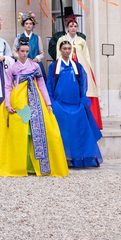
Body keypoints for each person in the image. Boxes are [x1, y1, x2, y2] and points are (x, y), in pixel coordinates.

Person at [0, 37, 68, 177]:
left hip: (35, 99)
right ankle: (19, 164)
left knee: (37, 129)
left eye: (27, 51)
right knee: (19, 132)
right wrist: (7, 104)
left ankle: (35, 165)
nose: (24, 54)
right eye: (22, 51)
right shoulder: (13, 68)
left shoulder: (35, 66)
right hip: (18, 100)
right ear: (17, 52)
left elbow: (41, 84)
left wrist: (47, 103)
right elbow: (7, 87)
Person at [47, 40, 103, 168]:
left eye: (69, 48)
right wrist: (51, 102)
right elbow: (49, 84)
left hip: (75, 104)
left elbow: (82, 84)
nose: (67, 51)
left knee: (81, 131)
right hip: (59, 104)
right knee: (63, 132)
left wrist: (81, 101)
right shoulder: (54, 66)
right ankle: (62, 158)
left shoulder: (77, 66)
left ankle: (79, 157)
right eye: (64, 48)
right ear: (60, 50)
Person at [56, 14, 103, 130]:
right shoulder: (62, 40)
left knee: (84, 91)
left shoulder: (81, 41)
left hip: (80, 68)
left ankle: (87, 119)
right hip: (67, 68)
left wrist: (88, 69)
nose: (73, 28)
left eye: (75, 26)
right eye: (71, 26)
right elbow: (58, 55)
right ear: (67, 28)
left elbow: (86, 56)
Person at [13, 12, 45, 78]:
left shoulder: (37, 38)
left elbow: (42, 53)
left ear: (33, 25)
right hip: (22, 65)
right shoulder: (18, 37)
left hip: (35, 65)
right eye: (26, 23)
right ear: (23, 25)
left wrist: (37, 58)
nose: (28, 25)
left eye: (30, 24)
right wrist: (24, 58)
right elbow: (14, 52)